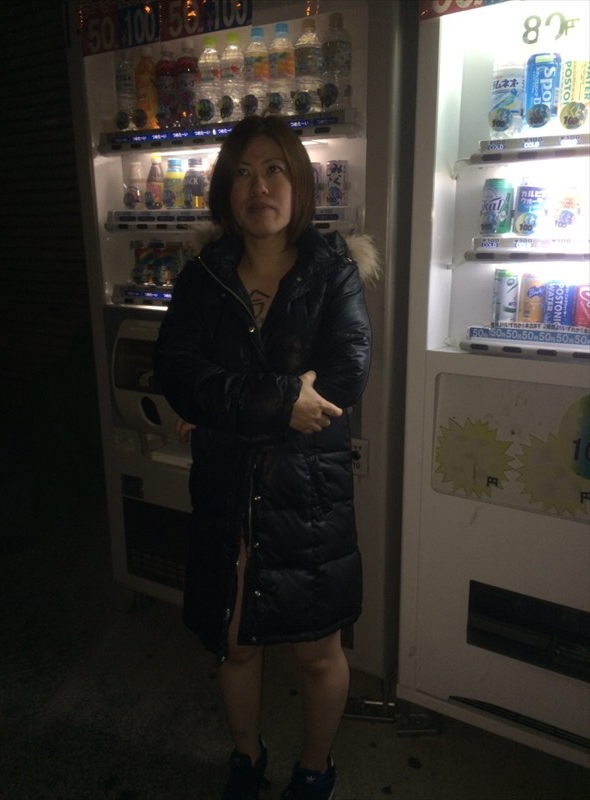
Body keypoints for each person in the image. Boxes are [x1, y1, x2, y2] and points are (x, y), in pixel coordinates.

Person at [154, 114, 379, 800]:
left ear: (299, 183)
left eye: (275, 169)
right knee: (236, 643)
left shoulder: (334, 271)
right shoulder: (203, 277)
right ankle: (246, 758)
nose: (260, 186)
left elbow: (344, 377)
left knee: (317, 651)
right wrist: (282, 400)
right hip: (226, 486)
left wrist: (225, 404)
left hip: (308, 492)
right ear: (226, 190)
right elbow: (179, 372)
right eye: (244, 173)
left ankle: (315, 768)